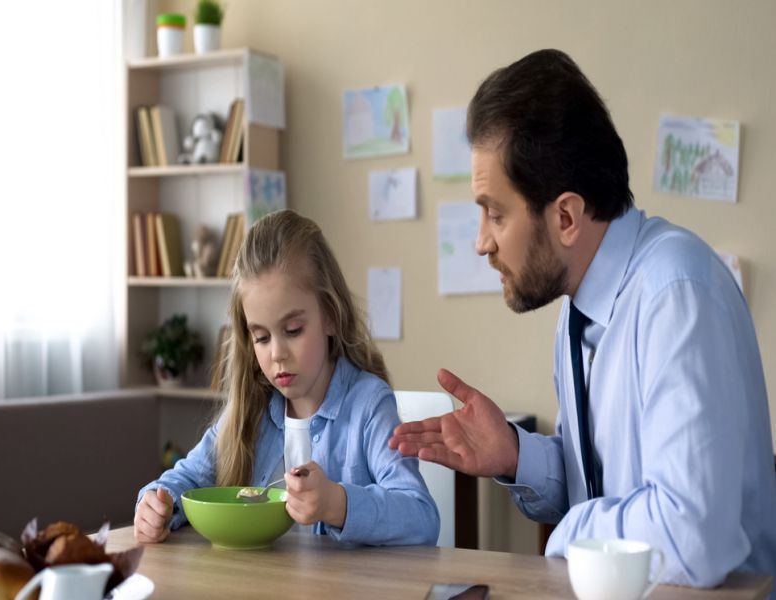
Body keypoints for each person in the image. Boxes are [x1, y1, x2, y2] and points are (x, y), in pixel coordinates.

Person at [389, 49, 776, 589]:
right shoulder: (580, 309)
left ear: (566, 216)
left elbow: (693, 537)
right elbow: (598, 481)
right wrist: (515, 455)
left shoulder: (676, 293)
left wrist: (569, 531)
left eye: (495, 213)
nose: (481, 242)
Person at [135, 209, 439, 546]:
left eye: (293, 330)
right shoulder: (252, 409)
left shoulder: (368, 405)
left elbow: (421, 517)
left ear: (331, 317)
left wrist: (336, 503)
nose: (276, 353)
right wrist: (156, 504)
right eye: (262, 338)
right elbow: (184, 479)